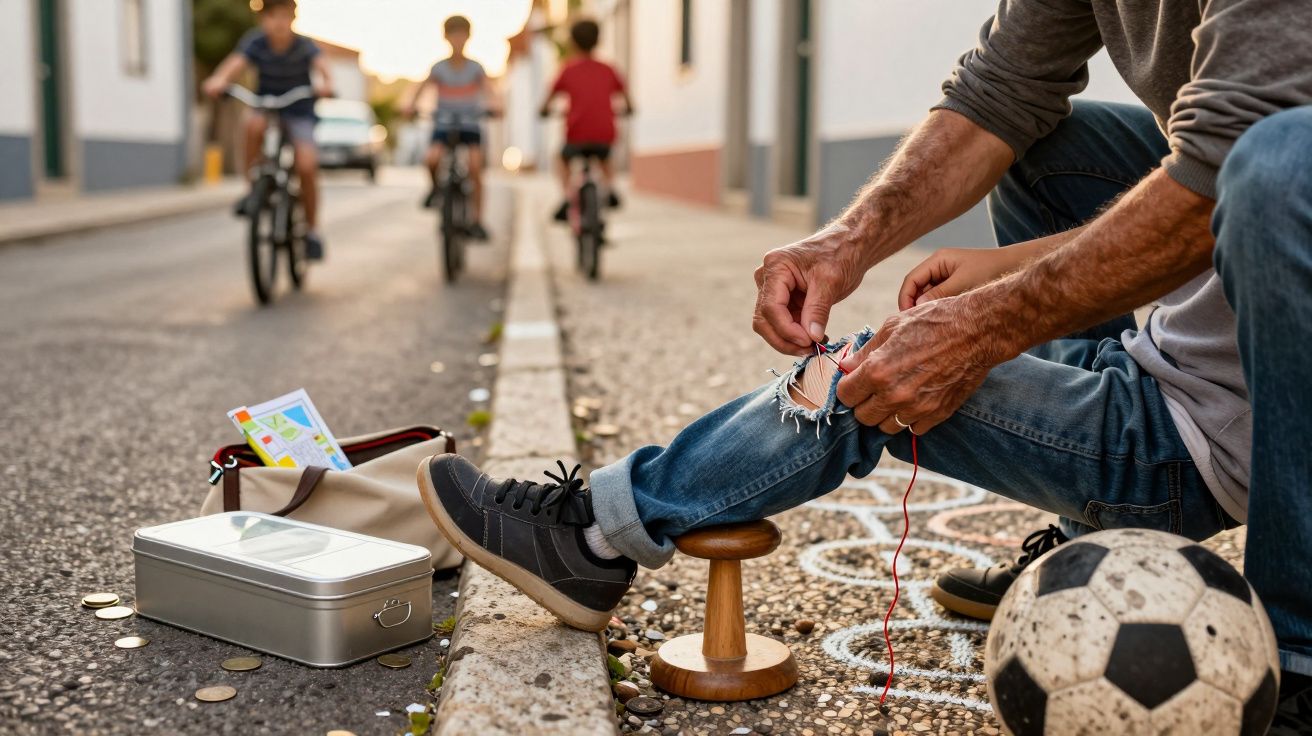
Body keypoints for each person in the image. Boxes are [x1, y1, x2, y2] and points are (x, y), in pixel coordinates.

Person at [417, 0, 1312, 728]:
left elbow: (1234, 165)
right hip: (1198, 352)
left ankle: (595, 538)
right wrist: (848, 244)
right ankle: (1096, 536)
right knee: (1059, 146)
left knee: (866, 378)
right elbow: (1000, 94)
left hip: (1193, 438)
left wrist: (985, 325)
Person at [202, 0, 333, 259]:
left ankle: (312, 231)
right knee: (252, 124)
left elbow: (322, 67)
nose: (279, 22)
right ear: (263, 19)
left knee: (306, 165)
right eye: (272, 16)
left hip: (299, 109)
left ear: (293, 19)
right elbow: (234, 64)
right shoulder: (256, 42)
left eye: (285, 16)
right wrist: (219, 79)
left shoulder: (304, 46)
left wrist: (326, 83)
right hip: (266, 105)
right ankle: (253, 190)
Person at [402, 15, 496, 241]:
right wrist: (409, 105)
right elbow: (419, 89)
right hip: (443, 123)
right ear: (446, 37)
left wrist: (496, 105)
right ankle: (437, 190)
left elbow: (490, 91)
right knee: (431, 160)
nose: (458, 39)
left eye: (461, 34)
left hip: (470, 124)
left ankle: (477, 220)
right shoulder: (439, 68)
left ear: (468, 37)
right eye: (453, 34)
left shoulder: (475, 68)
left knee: (474, 168)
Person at [539, 19, 633, 223]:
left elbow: (548, 99)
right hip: (604, 133)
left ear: (573, 42)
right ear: (598, 41)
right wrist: (629, 108)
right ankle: (609, 188)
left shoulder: (568, 69)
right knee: (606, 158)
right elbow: (626, 96)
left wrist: (544, 110)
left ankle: (567, 196)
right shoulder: (608, 69)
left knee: (560, 159)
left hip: (576, 134)